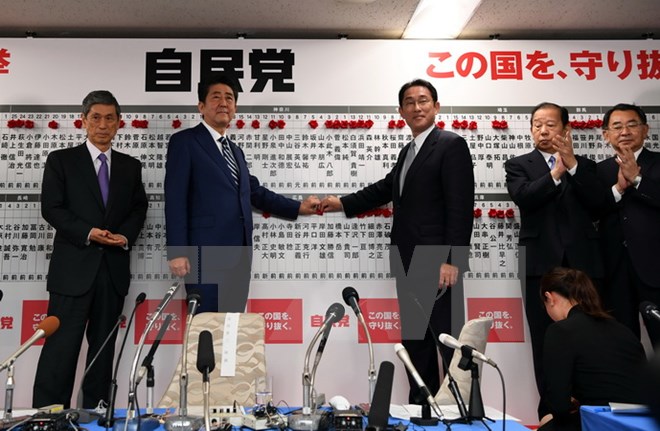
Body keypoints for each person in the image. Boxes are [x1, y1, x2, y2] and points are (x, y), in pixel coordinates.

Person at [320, 78, 474, 402]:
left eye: (423, 100)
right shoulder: (409, 151)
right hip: (407, 261)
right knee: (416, 342)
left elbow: (460, 207)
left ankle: (461, 409)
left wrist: (452, 260)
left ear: (436, 106)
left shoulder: (451, 144)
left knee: (447, 340)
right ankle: (423, 408)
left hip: (437, 262)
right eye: (409, 102)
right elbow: (385, 188)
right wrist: (342, 203)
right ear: (401, 111)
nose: (417, 107)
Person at [165, 74, 320, 313]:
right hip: (205, 254)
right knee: (205, 325)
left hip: (240, 254)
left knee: (233, 325)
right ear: (201, 106)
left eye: (229, 98)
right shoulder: (185, 142)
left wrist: (298, 207)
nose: (223, 103)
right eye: (216, 97)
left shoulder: (235, 151)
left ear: (235, 108)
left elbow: (254, 192)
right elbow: (175, 198)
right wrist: (177, 252)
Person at [33, 91, 148, 409]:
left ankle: (95, 416)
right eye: (96, 117)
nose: (103, 124)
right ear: (83, 121)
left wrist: (123, 236)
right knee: (60, 351)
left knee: (103, 352)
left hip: (112, 271)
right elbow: (51, 208)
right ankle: (49, 417)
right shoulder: (61, 160)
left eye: (110, 118)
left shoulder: (130, 166)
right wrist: (88, 232)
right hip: (72, 271)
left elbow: (138, 209)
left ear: (119, 123)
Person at [504, 102, 605, 417]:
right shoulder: (518, 165)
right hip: (540, 264)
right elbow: (525, 197)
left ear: (566, 129)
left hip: (582, 265)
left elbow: (599, 204)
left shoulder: (586, 166)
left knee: (589, 337)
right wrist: (556, 173)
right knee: (544, 338)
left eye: (550, 124)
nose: (543, 130)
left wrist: (572, 166)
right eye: (537, 125)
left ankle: (588, 411)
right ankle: (550, 411)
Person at [538, 267, 645, 431]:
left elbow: (559, 405)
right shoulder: (624, 331)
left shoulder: (560, 331)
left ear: (549, 298)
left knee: (546, 421)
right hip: (640, 423)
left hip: (598, 422)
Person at [597, 103, 660, 346]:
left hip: (655, 268)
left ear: (645, 130)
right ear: (606, 134)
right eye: (617, 126)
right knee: (622, 346)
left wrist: (638, 179)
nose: (625, 131)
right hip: (614, 270)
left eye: (632, 125)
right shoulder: (599, 171)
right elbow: (592, 211)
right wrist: (617, 189)